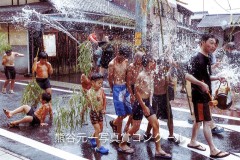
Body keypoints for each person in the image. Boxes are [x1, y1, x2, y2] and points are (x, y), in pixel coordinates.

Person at [185, 34, 230, 158]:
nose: (213, 46)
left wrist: (217, 77)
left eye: (215, 44)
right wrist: (200, 84)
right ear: (203, 42)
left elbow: (206, 77)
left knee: (198, 121)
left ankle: (193, 141)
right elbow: (187, 76)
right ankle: (213, 150)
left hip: (204, 94)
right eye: (211, 43)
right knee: (207, 122)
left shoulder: (207, 58)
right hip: (200, 95)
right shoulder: (196, 58)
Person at [119, 54, 171, 159]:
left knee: (155, 124)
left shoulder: (151, 73)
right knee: (135, 127)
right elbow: (136, 92)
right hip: (139, 104)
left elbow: (163, 72)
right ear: (147, 63)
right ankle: (122, 144)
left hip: (146, 103)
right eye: (152, 61)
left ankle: (158, 150)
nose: (154, 63)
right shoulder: (141, 75)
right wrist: (143, 107)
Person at [144, 58, 179, 144]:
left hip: (164, 97)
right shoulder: (153, 73)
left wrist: (170, 83)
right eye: (160, 65)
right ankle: (147, 133)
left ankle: (171, 135)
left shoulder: (166, 74)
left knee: (170, 116)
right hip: (156, 98)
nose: (161, 67)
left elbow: (172, 82)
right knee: (153, 117)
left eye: (163, 65)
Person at [108, 44, 132, 143]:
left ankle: (114, 123)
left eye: (125, 57)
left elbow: (127, 76)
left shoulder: (126, 61)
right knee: (121, 114)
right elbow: (110, 78)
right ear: (118, 53)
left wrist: (129, 89)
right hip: (117, 88)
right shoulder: (112, 64)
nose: (123, 59)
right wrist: (113, 89)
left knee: (128, 112)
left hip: (125, 88)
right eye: (122, 57)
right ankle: (118, 137)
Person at [87, 73, 109, 154]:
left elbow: (104, 99)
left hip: (100, 112)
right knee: (98, 129)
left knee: (101, 129)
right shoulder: (90, 92)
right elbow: (89, 105)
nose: (100, 85)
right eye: (99, 83)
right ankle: (99, 147)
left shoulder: (101, 90)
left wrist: (104, 108)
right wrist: (94, 99)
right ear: (92, 83)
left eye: (101, 83)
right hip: (94, 112)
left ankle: (92, 138)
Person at [123, 50, 144, 133]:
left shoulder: (141, 66)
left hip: (138, 89)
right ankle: (127, 125)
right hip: (131, 88)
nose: (142, 60)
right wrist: (131, 94)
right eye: (140, 58)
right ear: (136, 58)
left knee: (134, 109)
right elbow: (128, 82)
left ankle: (130, 126)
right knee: (132, 109)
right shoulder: (131, 66)